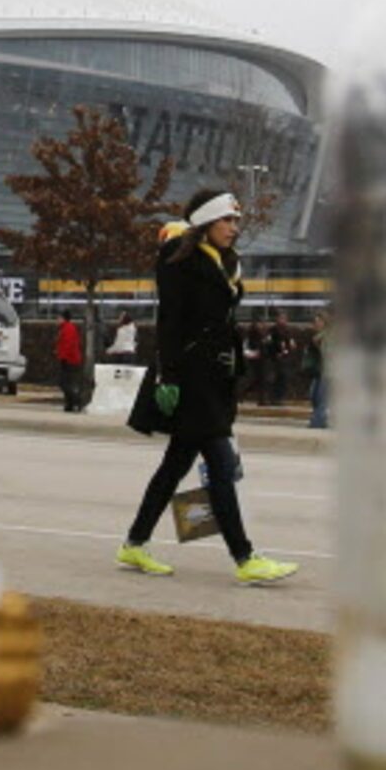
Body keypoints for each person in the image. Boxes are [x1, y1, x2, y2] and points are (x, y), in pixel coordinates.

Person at [115, 188, 296, 586]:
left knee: (174, 468)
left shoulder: (225, 263)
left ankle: (134, 543)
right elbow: (170, 324)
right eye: (226, 221)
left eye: (235, 222)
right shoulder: (179, 261)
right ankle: (245, 557)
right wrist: (168, 376)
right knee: (220, 466)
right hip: (191, 381)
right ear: (206, 223)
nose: (234, 228)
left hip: (215, 380)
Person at [53, 307, 90, 413]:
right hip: (69, 359)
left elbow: (68, 345)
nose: (57, 320)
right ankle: (71, 403)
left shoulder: (67, 328)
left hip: (69, 360)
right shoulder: (67, 328)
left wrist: (62, 356)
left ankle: (75, 401)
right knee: (67, 382)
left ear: (63, 318)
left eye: (59, 318)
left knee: (65, 383)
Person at [303, 310, 330, 430]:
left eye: (318, 321)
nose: (316, 324)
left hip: (328, 372)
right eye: (315, 322)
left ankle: (317, 422)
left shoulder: (328, 336)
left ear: (324, 323)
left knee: (321, 397)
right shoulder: (316, 337)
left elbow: (328, 354)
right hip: (319, 371)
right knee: (314, 395)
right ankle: (321, 420)